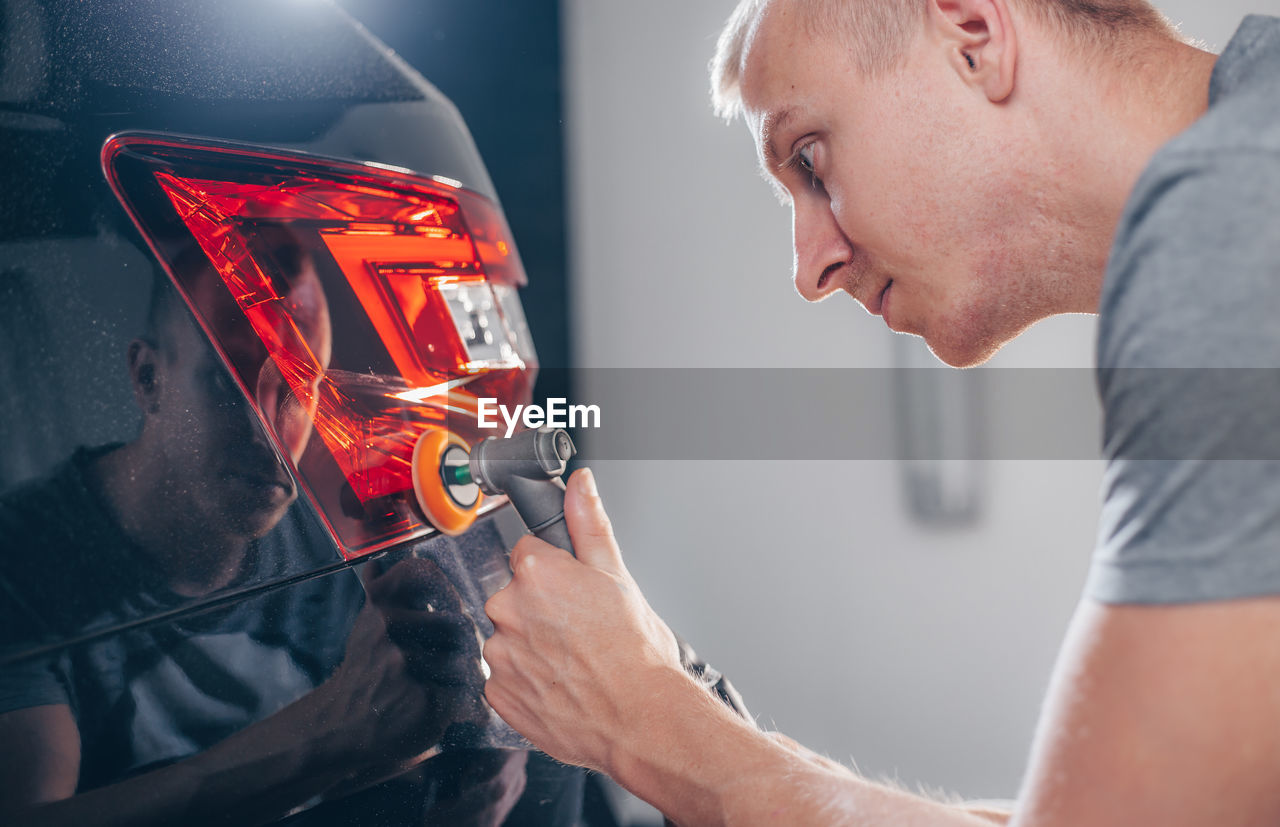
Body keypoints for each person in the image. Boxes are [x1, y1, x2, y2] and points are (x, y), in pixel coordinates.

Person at [480, 1, 1280, 824]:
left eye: (813, 163)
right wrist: (673, 700)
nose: (809, 267)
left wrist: (639, 719)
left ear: (974, 37)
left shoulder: (1233, 227)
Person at [0, 240, 504, 824]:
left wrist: (451, 751)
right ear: (147, 378)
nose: (269, 434)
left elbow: (376, 749)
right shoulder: (21, 560)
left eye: (297, 390)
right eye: (227, 382)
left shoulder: (331, 535)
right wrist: (334, 727)